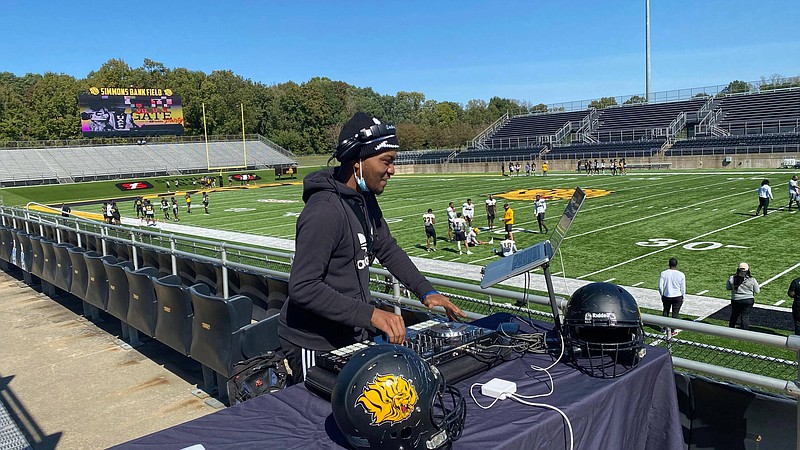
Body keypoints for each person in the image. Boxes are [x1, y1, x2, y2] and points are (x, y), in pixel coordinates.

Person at [278, 112, 465, 385]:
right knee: (318, 419)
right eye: (386, 161)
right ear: (357, 161)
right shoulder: (323, 212)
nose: (392, 170)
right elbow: (303, 287)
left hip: (350, 333)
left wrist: (426, 291)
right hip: (313, 342)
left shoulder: (364, 198)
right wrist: (372, 315)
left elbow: (387, 248)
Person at [726, 262, 759, 330]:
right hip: (748, 300)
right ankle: (744, 331)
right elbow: (757, 291)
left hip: (736, 299)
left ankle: (730, 328)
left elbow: (728, 288)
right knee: (745, 316)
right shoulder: (752, 279)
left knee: (734, 314)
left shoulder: (732, 278)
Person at [658, 258, 686, 334]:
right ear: (676, 265)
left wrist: (662, 294)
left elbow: (660, 286)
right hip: (677, 296)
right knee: (675, 313)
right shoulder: (681, 274)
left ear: (669, 264)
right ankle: (673, 330)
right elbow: (683, 288)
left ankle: (664, 328)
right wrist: (683, 296)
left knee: (666, 311)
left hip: (666, 295)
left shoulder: (664, 273)